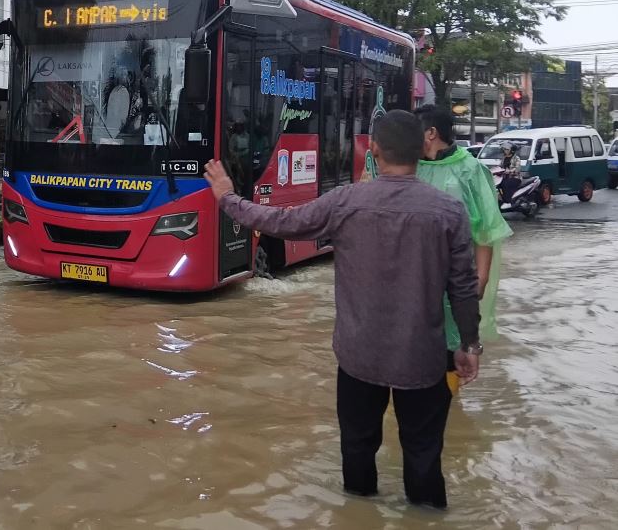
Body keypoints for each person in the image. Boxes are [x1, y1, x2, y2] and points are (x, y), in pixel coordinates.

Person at [204, 110, 481, 510]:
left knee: (357, 452)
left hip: (358, 357)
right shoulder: (448, 211)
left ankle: (357, 512)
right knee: (423, 458)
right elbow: (464, 287)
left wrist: (227, 196)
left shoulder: (345, 202)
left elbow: (278, 221)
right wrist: (469, 346)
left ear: (374, 150)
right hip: (422, 359)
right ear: (422, 149)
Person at [415, 106, 513, 394]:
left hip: (454, 278)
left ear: (431, 133)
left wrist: (479, 280)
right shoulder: (411, 166)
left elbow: (486, 231)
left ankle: (448, 407)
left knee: (451, 346)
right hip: (414, 278)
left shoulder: (470, 170)